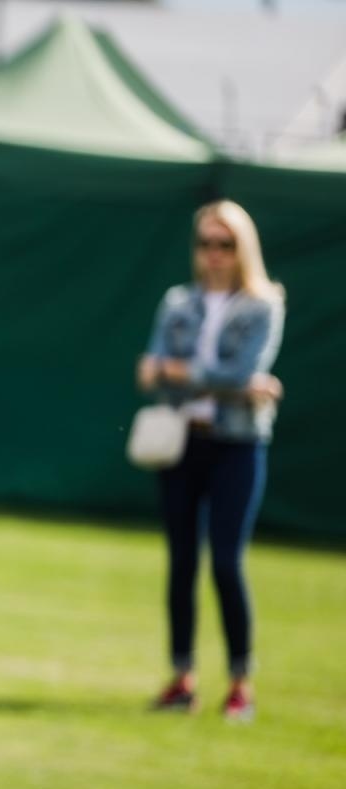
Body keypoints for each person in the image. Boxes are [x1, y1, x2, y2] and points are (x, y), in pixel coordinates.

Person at [136, 201, 285, 721]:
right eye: (207, 244)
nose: (215, 255)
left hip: (237, 446)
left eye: (226, 244)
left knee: (226, 562)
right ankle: (182, 678)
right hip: (182, 442)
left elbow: (239, 370)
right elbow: (149, 371)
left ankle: (240, 681)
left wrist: (181, 371)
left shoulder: (263, 304)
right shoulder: (178, 302)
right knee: (181, 563)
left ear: (243, 248)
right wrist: (239, 385)